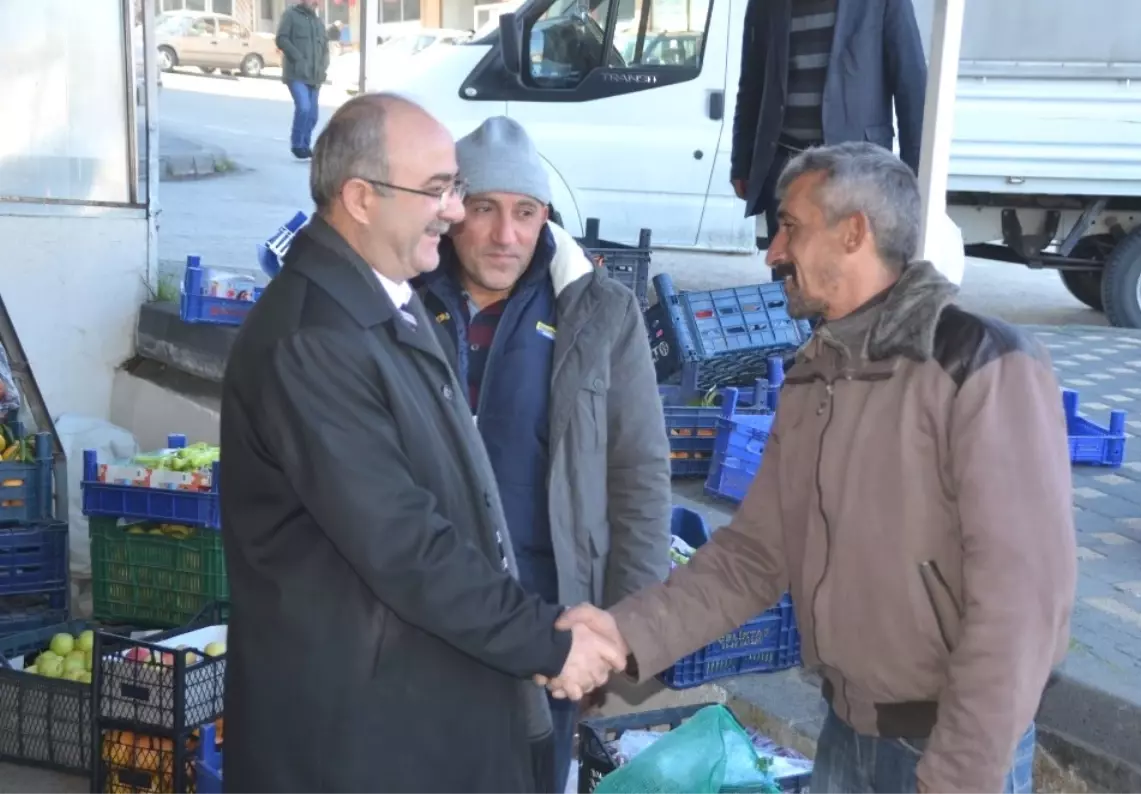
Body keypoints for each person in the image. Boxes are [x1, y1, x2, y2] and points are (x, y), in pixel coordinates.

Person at [548, 142, 1078, 794]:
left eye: (791, 227)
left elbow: (1022, 602)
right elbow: (752, 556)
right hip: (846, 734)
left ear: (854, 233)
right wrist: (621, 635)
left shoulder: (980, 363)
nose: (774, 251)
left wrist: (964, 771)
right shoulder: (814, 373)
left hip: (948, 748)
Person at [218, 93, 626, 794]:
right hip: (353, 737)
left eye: (454, 187)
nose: (455, 210)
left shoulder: (384, 300)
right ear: (360, 198)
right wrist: (548, 641)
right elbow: (403, 543)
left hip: (410, 707)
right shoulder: (315, 340)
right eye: (438, 190)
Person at [415, 116, 672, 794]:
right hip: (418, 606)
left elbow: (639, 474)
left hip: (548, 618)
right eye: (484, 210)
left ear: (545, 218)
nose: (506, 235)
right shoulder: (403, 300)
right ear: (451, 211)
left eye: (525, 213)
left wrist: (626, 627)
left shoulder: (601, 313)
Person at [731, 0, 927, 270]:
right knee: (792, 276)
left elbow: (912, 84)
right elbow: (751, 80)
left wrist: (915, 176)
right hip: (785, 168)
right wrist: (741, 161)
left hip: (857, 172)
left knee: (851, 276)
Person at [276, 0, 329, 160]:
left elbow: (325, 48)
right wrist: (298, 58)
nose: (315, 2)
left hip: (315, 76)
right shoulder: (291, 15)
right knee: (304, 107)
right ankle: (297, 145)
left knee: (313, 115)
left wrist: (324, 66)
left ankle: (305, 146)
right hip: (296, 74)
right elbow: (281, 39)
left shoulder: (319, 22)